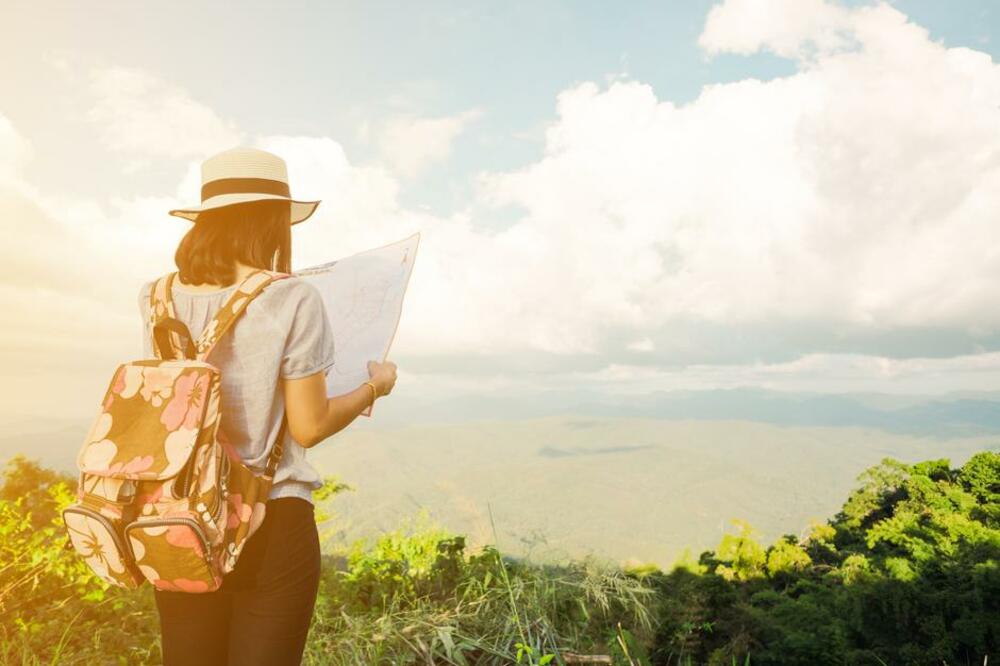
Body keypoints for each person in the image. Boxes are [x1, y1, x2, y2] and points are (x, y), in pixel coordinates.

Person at [139, 146, 398, 665]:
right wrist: (375, 387)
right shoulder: (292, 297)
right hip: (271, 517)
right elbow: (308, 425)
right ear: (273, 221)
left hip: (178, 516)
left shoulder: (155, 297)